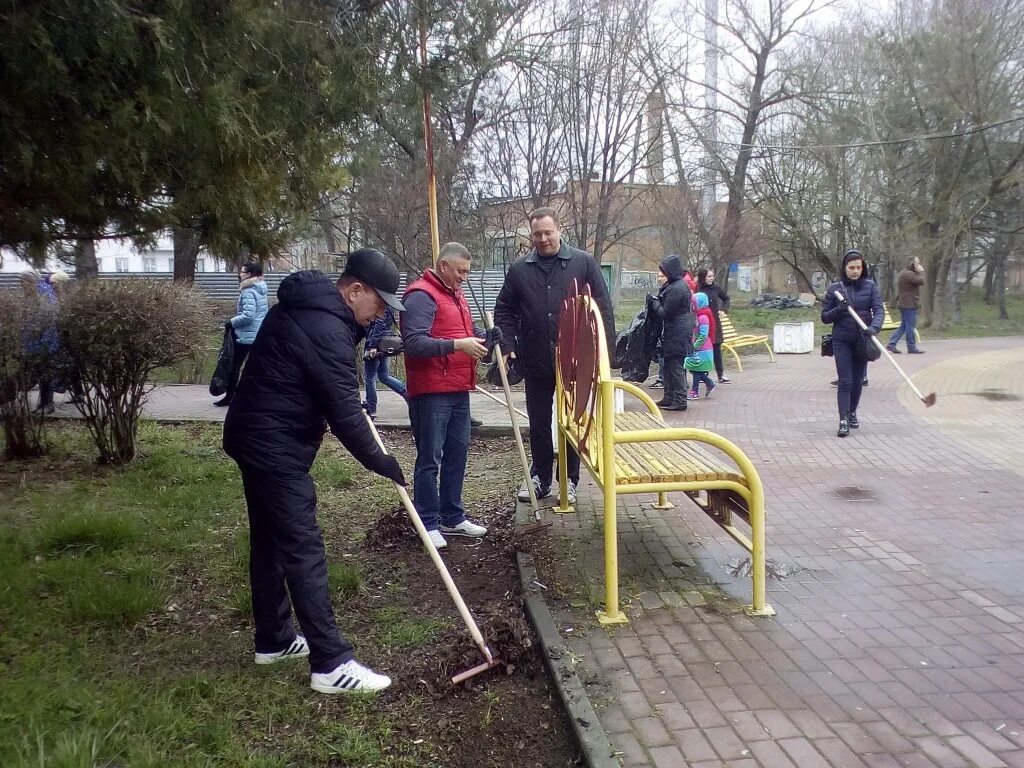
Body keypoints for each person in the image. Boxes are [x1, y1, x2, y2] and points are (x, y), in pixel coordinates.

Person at [222, 249, 407, 695]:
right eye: (378, 304)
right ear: (354, 290)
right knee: (303, 547)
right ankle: (331, 663)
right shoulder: (325, 325)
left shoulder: (309, 310)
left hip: (256, 436)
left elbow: (327, 389)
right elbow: (344, 410)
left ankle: (274, 639)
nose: (380, 314)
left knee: (269, 541)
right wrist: (381, 463)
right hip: (273, 446)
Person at [494, 207, 614, 505]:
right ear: (530, 235)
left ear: (560, 230)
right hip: (534, 359)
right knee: (537, 421)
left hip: (575, 362)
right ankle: (541, 477)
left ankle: (569, 480)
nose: (543, 239)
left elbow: (603, 308)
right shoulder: (520, 269)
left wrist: (605, 354)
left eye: (548, 232)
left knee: (572, 421)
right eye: (537, 234)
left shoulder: (582, 263)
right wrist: (508, 343)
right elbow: (504, 309)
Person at [401, 242, 496, 550]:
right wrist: (459, 346)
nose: (464, 277)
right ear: (443, 266)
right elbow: (414, 343)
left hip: (457, 388)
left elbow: (465, 336)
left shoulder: (456, 296)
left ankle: (452, 516)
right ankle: (427, 522)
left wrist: (487, 340)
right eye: (460, 271)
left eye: (467, 272)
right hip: (431, 392)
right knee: (430, 457)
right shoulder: (420, 296)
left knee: (457, 453)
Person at [820, 249, 883, 437]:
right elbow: (824, 317)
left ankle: (853, 410)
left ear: (863, 268)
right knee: (845, 381)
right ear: (844, 268)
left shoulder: (871, 287)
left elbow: (879, 310)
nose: (855, 271)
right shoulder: (835, 289)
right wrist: (839, 310)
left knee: (857, 381)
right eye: (851, 268)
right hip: (842, 340)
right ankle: (843, 419)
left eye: (858, 267)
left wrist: (874, 328)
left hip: (863, 340)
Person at [214, 262, 268, 407]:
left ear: (249, 275)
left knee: (234, 367)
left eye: (243, 272)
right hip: (256, 334)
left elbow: (248, 316)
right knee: (255, 367)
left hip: (245, 336)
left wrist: (231, 322)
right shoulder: (260, 290)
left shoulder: (249, 291)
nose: (240, 274)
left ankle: (230, 397)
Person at [647, 254, 693, 411]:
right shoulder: (676, 285)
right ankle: (669, 397)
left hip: (677, 333)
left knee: (675, 366)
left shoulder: (676, 289)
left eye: (664, 273)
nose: (661, 277)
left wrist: (654, 303)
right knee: (668, 365)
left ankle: (680, 400)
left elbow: (666, 313)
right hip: (676, 331)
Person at [20, 269, 59, 414]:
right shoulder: (30, 295)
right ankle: (43, 403)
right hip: (34, 341)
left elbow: (50, 316)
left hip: (46, 340)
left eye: (22, 281)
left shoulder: (45, 293)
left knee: (46, 373)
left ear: (31, 281)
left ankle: (48, 404)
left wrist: (44, 341)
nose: (21, 284)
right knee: (40, 373)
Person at [363, 307, 406, 420]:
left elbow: (379, 324)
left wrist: (373, 346)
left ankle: (371, 408)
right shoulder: (390, 303)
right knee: (383, 376)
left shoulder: (381, 304)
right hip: (386, 344)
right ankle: (406, 393)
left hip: (376, 345)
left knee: (370, 377)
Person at [696, 267, 731, 383]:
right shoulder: (697, 289)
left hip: (714, 322)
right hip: (702, 323)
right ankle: (703, 374)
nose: (711, 278)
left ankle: (720, 374)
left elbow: (726, 298)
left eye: (712, 276)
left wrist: (723, 310)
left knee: (716, 349)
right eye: (709, 276)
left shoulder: (716, 288)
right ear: (703, 277)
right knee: (702, 348)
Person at [886, 256, 926, 354]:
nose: (919, 265)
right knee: (910, 326)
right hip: (909, 304)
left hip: (904, 303)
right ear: (913, 264)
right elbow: (921, 281)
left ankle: (892, 344)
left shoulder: (904, 272)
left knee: (904, 326)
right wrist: (921, 271)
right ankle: (911, 347)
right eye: (917, 263)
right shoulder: (909, 274)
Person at [685, 293, 717, 399]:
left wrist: (695, 346)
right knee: (695, 369)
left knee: (696, 369)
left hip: (702, 348)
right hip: (697, 347)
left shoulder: (703, 317)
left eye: (694, 303)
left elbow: (703, 335)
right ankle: (709, 383)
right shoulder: (697, 316)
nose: (692, 306)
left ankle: (695, 391)